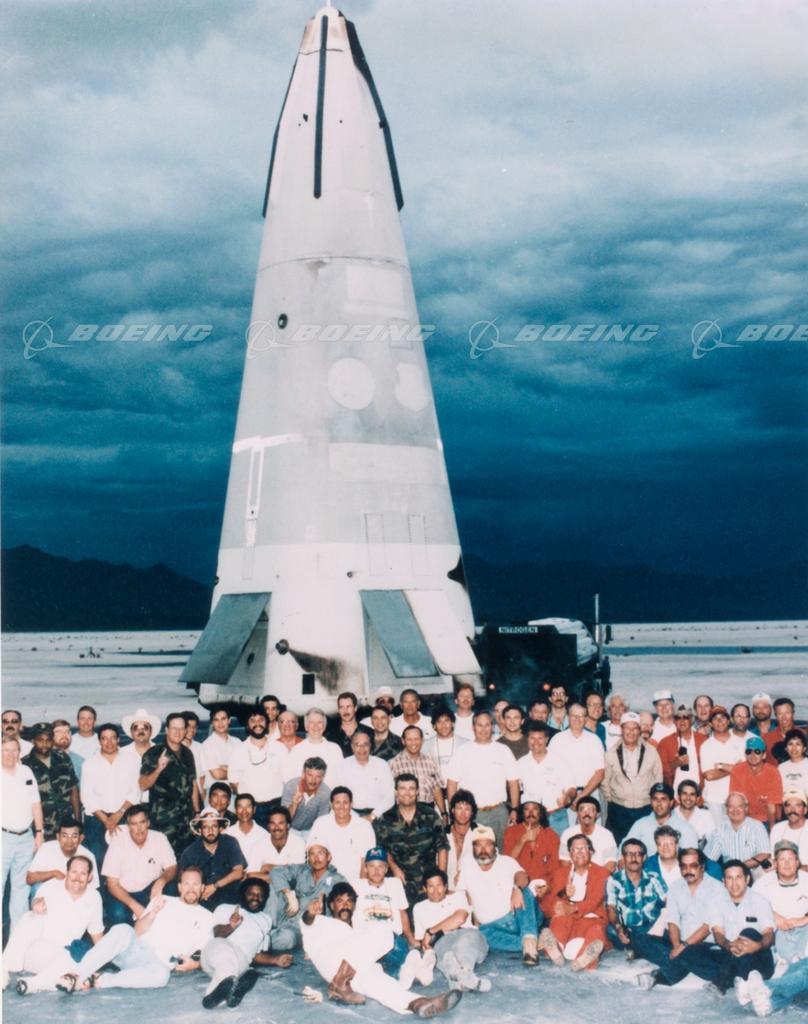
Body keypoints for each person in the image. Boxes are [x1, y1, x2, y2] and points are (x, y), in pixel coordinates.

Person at [301, 883, 461, 1016]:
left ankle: (418, 1003)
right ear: (331, 905)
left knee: (381, 984)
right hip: (334, 965)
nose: (345, 905)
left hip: (354, 976)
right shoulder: (323, 922)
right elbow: (307, 923)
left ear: (354, 905)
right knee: (382, 932)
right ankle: (339, 983)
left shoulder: (356, 930)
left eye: (349, 901)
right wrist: (310, 914)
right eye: (340, 901)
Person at [66, 865, 214, 992]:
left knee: (162, 976)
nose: (191, 889)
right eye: (186, 884)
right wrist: (153, 913)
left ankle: (98, 980)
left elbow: (211, 954)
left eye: (195, 884)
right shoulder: (163, 900)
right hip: (134, 950)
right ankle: (76, 975)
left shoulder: (208, 918)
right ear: (180, 887)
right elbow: (137, 931)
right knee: (123, 929)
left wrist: (195, 965)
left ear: (202, 888)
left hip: (156, 965)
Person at [6, 855, 104, 995]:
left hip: (62, 958)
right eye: (74, 872)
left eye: (83, 873)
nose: (77, 878)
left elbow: (97, 935)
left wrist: (104, 958)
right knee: (30, 917)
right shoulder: (51, 887)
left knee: (81, 953)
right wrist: (35, 905)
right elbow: (36, 903)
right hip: (35, 952)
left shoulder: (94, 897)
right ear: (67, 872)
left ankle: (32, 984)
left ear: (90, 877)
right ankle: (4, 969)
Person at [632, 847, 726, 989]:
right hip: (679, 941)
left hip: (704, 944)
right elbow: (672, 920)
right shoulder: (676, 886)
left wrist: (683, 947)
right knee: (639, 939)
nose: (688, 870)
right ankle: (687, 963)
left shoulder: (717, 888)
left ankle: (657, 977)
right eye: (684, 866)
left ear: (702, 867)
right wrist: (676, 946)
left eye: (693, 866)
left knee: (690, 954)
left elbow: (707, 927)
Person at [200, 878, 292, 1009]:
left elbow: (255, 954)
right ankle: (219, 992)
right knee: (225, 956)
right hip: (215, 953)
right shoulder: (225, 908)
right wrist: (231, 926)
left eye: (260, 895)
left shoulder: (266, 920)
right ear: (243, 894)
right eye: (251, 894)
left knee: (238, 970)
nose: (256, 898)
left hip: (241, 960)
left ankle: (221, 996)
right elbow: (217, 935)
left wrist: (275, 960)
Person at [457, 825, 540, 965]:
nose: (483, 850)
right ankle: (534, 941)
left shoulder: (506, 861)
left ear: (494, 847)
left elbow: (522, 876)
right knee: (481, 936)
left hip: (516, 916)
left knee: (525, 892)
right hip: (491, 927)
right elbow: (461, 894)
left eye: (487, 845)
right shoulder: (466, 865)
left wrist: (517, 888)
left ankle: (530, 943)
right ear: (473, 848)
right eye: (478, 845)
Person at [446, 710, 520, 848]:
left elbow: (513, 783)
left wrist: (515, 809)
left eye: (487, 725)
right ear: (473, 727)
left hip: (499, 813)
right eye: (479, 725)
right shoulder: (463, 751)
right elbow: (451, 784)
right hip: (472, 814)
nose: (484, 729)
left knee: (502, 851)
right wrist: (453, 812)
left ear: (492, 727)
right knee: (473, 852)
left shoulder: (503, 750)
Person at [537, 834, 610, 971]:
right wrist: (564, 894)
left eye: (583, 848)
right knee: (558, 920)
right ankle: (555, 949)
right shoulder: (560, 873)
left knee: (596, 931)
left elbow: (595, 900)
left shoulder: (602, 873)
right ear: (570, 854)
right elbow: (554, 903)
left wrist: (573, 908)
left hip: (591, 920)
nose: (579, 852)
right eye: (575, 849)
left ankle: (585, 958)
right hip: (567, 923)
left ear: (591, 852)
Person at [374, 773, 449, 906]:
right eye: (402, 788)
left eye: (411, 788)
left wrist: (440, 880)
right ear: (396, 792)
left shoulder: (430, 815)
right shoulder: (386, 819)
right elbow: (383, 849)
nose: (407, 793)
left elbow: (442, 847)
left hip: (428, 886)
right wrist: (395, 868)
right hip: (399, 884)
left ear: (417, 791)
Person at [413, 867, 490, 992]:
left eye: (439, 885)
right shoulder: (418, 908)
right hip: (442, 941)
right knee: (442, 954)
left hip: (465, 933)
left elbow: (460, 918)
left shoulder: (458, 897)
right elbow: (424, 942)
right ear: (424, 889)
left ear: (445, 887)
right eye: (430, 886)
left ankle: (460, 973)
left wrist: (431, 931)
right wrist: (427, 948)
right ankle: (464, 979)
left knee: (465, 944)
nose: (435, 890)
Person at [352, 846, 419, 983]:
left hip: (391, 939)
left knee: (399, 950)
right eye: (372, 866)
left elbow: (402, 913)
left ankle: (396, 973)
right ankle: (411, 971)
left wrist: (411, 938)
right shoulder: (356, 886)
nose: (376, 871)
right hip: (366, 939)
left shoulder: (395, 884)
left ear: (386, 868)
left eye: (380, 866)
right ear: (365, 868)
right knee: (369, 963)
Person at [102, 804, 177, 924]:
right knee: (118, 913)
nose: (139, 828)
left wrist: (161, 880)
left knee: (173, 888)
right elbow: (112, 884)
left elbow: (172, 867)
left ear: (148, 823)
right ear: (128, 826)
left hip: (150, 889)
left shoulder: (160, 838)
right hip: (124, 892)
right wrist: (134, 906)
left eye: (142, 822)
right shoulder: (117, 843)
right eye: (134, 824)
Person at [139, 711, 201, 853]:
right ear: (167, 730)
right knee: (164, 859)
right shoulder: (154, 753)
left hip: (186, 821)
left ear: (185, 731)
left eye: (181, 728)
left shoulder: (187, 753)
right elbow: (143, 785)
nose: (178, 732)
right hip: (164, 821)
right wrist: (158, 769)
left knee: (187, 858)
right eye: (174, 728)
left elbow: (192, 783)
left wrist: (197, 812)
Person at [267, 839, 346, 950]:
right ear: (308, 858)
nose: (316, 858)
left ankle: (262, 940)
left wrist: (325, 909)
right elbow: (276, 871)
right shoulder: (302, 870)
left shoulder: (337, 879)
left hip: (309, 927)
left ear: (329, 857)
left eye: (320, 853)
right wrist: (289, 895)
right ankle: (265, 929)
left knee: (284, 939)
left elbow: (344, 906)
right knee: (273, 886)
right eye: (312, 854)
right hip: (287, 917)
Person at [80, 722, 139, 866]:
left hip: (124, 816)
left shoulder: (132, 760)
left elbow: (136, 791)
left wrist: (118, 814)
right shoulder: (89, 764)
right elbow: (87, 796)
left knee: (126, 859)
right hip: (97, 820)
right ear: (99, 741)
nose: (109, 742)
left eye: (113, 738)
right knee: (98, 860)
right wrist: (106, 820)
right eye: (104, 738)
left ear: (118, 739)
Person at [712, 860, 775, 995]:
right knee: (691, 950)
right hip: (729, 952)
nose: (734, 883)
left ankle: (721, 981)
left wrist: (758, 946)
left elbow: (769, 934)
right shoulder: (717, 901)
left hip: (759, 958)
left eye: (738, 877)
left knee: (748, 932)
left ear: (747, 879)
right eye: (729, 878)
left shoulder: (760, 901)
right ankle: (734, 976)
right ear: (723, 882)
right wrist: (728, 945)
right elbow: (718, 934)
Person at [2, 735, 44, 928]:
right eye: (5, 750)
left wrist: (39, 833)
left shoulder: (26, 771)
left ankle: (16, 941)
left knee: (21, 891)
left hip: (26, 838)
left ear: (19, 752)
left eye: (14, 750)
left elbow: (36, 804)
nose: (10, 754)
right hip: (3, 838)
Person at [602, 710, 663, 845]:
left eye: (635, 728)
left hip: (645, 808)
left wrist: (651, 799)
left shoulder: (651, 751)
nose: (631, 732)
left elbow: (658, 777)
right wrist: (614, 798)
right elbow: (605, 780)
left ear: (639, 730)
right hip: (619, 810)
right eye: (627, 728)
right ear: (621, 729)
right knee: (620, 845)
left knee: (646, 844)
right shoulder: (611, 753)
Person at [605, 837, 667, 955]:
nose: (634, 859)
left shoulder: (654, 877)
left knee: (665, 925)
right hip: (626, 928)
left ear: (644, 857)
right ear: (623, 857)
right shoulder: (614, 880)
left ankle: (636, 947)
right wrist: (618, 927)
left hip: (650, 927)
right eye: (629, 854)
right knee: (610, 930)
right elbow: (611, 908)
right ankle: (643, 947)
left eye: (638, 854)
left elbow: (669, 901)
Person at [547, 703, 605, 824]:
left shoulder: (594, 740)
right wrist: (567, 797)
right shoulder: (557, 740)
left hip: (590, 794)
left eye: (581, 716)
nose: (577, 719)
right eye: (574, 716)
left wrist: (581, 796)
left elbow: (600, 773)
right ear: (568, 717)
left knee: (590, 833)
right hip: (563, 797)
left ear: (586, 718)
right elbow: (550, 770)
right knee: (565, 833)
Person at [22, 721, 80, 840]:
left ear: (52, 740)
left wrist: (78, 822)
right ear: (33, 741)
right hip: (39, 829)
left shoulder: (63, 757)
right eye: (40, 740)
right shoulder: (25, 765)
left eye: (48, 740)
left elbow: (73, 789)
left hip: (66, 826)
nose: (44, 744)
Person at [753, 839, 808, 962]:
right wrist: (773, 915)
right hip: (777, 931)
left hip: (804, 928)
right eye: (782, 859)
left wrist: (802, 920)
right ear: (775, 863)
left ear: (797, 862)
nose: (787, 863)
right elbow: (750, 904)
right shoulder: (763, 883)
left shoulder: (806, 879)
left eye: (790, 859)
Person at [179, 807, 247, 907]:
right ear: (200, 830)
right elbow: (183, 881)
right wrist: (198, 893)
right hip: (203, 898)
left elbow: (238, 872)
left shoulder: (230, 842)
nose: (210, 830)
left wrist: (215, 886)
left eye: (214, 826)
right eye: (206, 827)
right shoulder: (190, 852)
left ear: (220, 828)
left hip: (230, 895)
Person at [228, 707, 285, 827]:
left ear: (267, 723)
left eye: (261, 720)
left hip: (277, 806)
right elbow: (233, 782)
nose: (257, 724)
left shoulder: (280, 748)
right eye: (253, 720)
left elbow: (287, 779)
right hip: (251, 810)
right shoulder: (238, 751)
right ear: (247, 725)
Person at [516, 721, 574, 835]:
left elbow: (572, 788)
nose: (536, 742)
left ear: (547, 739)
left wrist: (567, 798)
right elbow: (516, 789)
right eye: (532, 738)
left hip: (556, 816)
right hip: (531, 819)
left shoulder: (559, 761)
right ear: (527, 739)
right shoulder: (521, 763)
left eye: (540, 738)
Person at [307, 786, 376, 878]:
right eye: (337, 803)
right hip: (328, 879)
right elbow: (313, 856)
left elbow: (367, 861)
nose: (341, 807)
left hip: (355, 880)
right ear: (331, 804)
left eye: (345, 802)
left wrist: (361, 884)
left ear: (351, 804)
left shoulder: (364, 827)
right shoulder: (320, 823)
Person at [26, 817, 99, 896]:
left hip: (75, 895)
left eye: (74, 836)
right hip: (49, 893)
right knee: (37, 887)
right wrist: (54, 873)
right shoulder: (46, 848)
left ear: (81, 838)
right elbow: (29, 879)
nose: (69, 841)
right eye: (64, 836)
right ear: (58, 837)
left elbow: (93, 888)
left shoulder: (88, 856)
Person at [699, 704, 747, 824]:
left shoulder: (741, 743)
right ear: (711, 724)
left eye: (723, 717)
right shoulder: (706, 746)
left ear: (729, 721)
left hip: (736, 799)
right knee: (717, 832)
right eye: (715, 718)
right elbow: (709, 775)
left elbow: (746, 770)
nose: (719, 721)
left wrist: (721, 766)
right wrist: (734, 768)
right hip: (713, 800)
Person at [333, 728, 395, 821]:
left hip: (378, 814)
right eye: (357, 745)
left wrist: (373, 815)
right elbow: (338, 796)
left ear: (370, 746)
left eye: (365, 744)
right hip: (350, 814)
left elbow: (389, 797)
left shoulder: (382, 765)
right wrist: (356, 818)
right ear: (352, 747)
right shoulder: (342, 766)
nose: (362, 748)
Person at [704, 792, 771, 872]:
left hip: (754, 873)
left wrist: (739, 867)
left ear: (746, 808)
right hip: (729, 874)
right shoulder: (720, 830)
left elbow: (764, 854)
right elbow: (709, 859)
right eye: (731, 806)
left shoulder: (757, 826)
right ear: (726, 809)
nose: (735, 810)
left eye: (739, 806)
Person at [389, 726, 446, 815]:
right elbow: (389, 794)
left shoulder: (431, 762)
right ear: (403, 741)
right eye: (409, 739)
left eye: (416, 739)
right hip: (403, 812)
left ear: (422, 740)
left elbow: (437, 790)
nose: (413, 743)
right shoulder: (393, 764)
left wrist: (444, 813)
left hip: (427, 813)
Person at [626, 782, 699, 851]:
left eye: (663, 799)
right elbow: (624, 847)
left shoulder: (684, 828)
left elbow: (692, 855)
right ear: (651, 801)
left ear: (671, 803)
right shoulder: (640, 825)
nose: (659, 803)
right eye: (655, 799)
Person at [729, 736, 783, 829]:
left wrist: (772, 831)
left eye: (757, 752)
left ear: (764, 755)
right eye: (749, 751)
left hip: (767, 819)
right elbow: (736, 802)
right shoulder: (737, 770)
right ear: (745, 755)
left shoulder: (773, 772)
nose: (753, 755)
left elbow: (771, 807)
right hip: (745, 819)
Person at [503, 799, 560, 883]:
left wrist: (547, 885)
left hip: (542, 883)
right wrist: (522, 840)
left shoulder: (551, 835)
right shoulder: (511, 832)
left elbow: (554, 867)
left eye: (535, 809)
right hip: (519, 883)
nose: (530, 813)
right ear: (522, 812)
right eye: (527, 809)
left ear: (540, 812)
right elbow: (507, 862)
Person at [558, 796, 617, 873]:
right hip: (574, 875)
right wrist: (579, 877)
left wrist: (595, 878)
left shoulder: (606, 835)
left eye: (591, 810)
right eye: (582, 810)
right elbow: (564, 862)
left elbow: (610, 865)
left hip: (599, 876)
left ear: (597, 814)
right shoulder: (568, 833)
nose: (586, 813)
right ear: (577, 813)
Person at [655, 704, 706, 790]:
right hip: (675, 792)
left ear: (691, 720)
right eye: (678, 718)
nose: (682, 721)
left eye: (685, 717)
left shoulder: (704, 740)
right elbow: (659, 771)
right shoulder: (665, 743)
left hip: (700, 792)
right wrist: (674, 764)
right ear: (674, 721)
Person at [225, 793, 275, 880]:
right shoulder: (227, 834)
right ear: (235, 810)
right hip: (232, 879)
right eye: (240, 807)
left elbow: (268, 865)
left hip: (257, 879)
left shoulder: (264, 835)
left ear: (254, 809)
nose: (244, 811)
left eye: (248, 806)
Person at [287, 708, 344, 780]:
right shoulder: (296, 750)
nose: (315, 726)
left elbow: (341, 777)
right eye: (312, 722)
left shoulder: (335, 749)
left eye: (319, 722)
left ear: (324, 726)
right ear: (306, 726)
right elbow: (291, 778)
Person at [281, 756, 332, 833]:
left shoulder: (326, 793)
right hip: (289, 829)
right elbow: (283, 820)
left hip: (310, 832)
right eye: (310, 775)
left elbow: (321, 822)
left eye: (318, 776)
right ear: (303, 774)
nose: (313, 780)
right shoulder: (290, 786)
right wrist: (294, 804)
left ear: (323, 777)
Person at [423, 707, 468, 789]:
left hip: (461, 791)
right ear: (434, 726)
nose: (443, 725)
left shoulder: (465, 744)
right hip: (436, 792)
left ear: (453, 723)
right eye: (439, 722)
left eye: (446, 721)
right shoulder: (425, 746)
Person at [199, 706, 242, 790]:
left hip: (238, 790)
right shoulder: (207, 745)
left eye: (223, 719)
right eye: (216, 720)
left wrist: (226, 768)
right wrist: (236, 770)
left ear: (229, 720)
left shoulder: (238, 742)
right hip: (217, 793)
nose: (220, 723)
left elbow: (245, 768)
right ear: (212, 723)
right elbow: (217, 775)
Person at [119, 707, 161, 783]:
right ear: (131, 732)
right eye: (136, 728)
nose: (140, 731)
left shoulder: (161, 753)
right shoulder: (121, 754)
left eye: (145, 727)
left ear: (151, 731)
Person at [446, 789, 477, 887]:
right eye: (459, 808)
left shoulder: (480, 833)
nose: (463, 813)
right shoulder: (442, 835)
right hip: (445, 889)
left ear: (472, 812)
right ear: (452, 810)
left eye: (467, 809)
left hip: (472, 887)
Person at [327, 691, 373, 756]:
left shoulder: (369, 733)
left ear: (355, 708)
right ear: (338, 710)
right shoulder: (330, 736)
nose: (345, 711)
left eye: (348, 706)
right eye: (341, 707)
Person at [769, 788, 808, 864]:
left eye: (798, 805)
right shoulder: (777, 828)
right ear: (784, 809)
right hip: (781, 870)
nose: (792, 810)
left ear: (805, 809)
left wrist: (799, 868)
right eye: (788, 806)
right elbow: (774, 858)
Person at [265, 806, 306, 870]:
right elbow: (251, 873)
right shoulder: (259, 844)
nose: (276, 827)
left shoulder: (298, 843)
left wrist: (268, 867)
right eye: (273, 823)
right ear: (268, 826)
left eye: (280, 823)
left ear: (288, 826)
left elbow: (297, 873)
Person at [675, 779, 715, 845]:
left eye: (692, 794)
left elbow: (713, 842)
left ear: (697, 798)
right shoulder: (671, 815)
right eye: (685, 794)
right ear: (678, 797)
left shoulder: (706, 816)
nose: (688, 798)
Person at [778, 728, 808, 794]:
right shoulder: (781, 768)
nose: (794, 748)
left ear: (804, 748)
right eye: (790, 744)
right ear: (786, 748)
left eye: (798, 744)